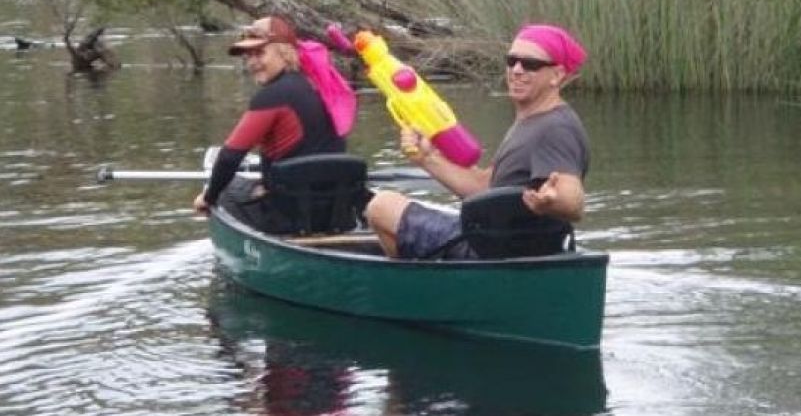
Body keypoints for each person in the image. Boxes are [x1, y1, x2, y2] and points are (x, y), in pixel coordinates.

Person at [365, 23, 590, 258]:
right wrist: (426, 157)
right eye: (511, 61)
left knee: (382, 206)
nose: (517, 70)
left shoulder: (555, 128)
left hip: (495, 252)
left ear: (557, 75)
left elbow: (573, 201)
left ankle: (417, 279)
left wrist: (555, 202)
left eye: (530, 64)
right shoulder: (532, 121)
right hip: (492, 242)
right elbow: (484, 187)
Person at [193, 15, 357, 233]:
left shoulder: (271, 97)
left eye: (260, 53)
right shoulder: (322, 86)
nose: (252, 63)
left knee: (224, 188)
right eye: (248, 56)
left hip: (290, 218)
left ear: (284, 51)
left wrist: (208, 197)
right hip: (338, 213)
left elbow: (229, 158)